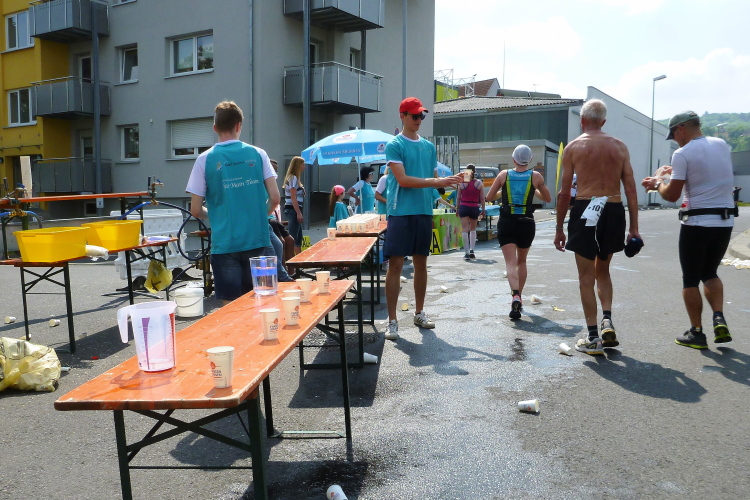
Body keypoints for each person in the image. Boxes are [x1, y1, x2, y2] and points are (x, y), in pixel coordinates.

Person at [641, 110, 736, 349]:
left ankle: (696, 333)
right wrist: (675, 173)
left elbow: (672, 195)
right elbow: (706, 173)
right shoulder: (721, 145)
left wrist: (658, 183)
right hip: (724, 222)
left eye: (673, 134)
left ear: (681, 128)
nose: (674, 140)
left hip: (696, 222)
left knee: (691, 279)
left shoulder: (682, 153)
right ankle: (719, 318)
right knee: (710, 272)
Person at [553, 99, 641, 355]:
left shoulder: (573, 147)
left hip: (585, 208)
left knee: (585, 277)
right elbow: (631, 189)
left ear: (582, 120)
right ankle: (607, 320)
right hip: (613, 209)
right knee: (603, 270)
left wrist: (559, 228)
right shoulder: (619, 146)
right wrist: (634, 228)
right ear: (603, 121)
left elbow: (565, 193)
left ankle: (592, 337)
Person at [382, 97, 463, 340]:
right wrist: (437, 181)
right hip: (399, 211)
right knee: (396, 265)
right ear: (402, 116)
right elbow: (404, 180)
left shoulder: (428, 147)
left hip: (424, 211)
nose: (419, 119)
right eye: (414, 115)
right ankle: (392, 320)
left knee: (421, 264)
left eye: (422, 116)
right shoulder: (395, 144)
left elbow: (433, 180)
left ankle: (419, 312)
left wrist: (452, 184)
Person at [186, 101, 280, 304]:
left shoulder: (204, 159)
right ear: (239, 125)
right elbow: (275, 198)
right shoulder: (259, 154)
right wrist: (259, 216)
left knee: (230, 311)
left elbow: (195, 210)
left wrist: (218, 217)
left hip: (225, 245)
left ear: (215, 128)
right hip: (257, 242)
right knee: (261, 304)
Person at [487, 145, 551, 319]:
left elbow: (489, 197)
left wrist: (503, 191)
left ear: (513, 159)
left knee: (510, 262)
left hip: (507, 221)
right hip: (526, 222)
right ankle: (519, 296)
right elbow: (547, 198)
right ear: (530, 160)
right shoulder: (535, 176)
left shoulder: (504, 175)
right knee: (521, 261)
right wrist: (533, 189)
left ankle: (514, 295)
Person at [269, 159, 295, 275]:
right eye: (272, 169)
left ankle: (292, 272)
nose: (275, 173)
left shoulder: (272, 184)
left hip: (274, 219)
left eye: (276, 170)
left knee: (290, 240)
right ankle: (283, 273)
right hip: (268, 219)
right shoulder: (262, 183)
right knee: (281, 242)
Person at [456, 164, 486, 260]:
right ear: (475, 171)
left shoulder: (462, 183)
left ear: (466, 171)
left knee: (464, 229)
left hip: (464, 206)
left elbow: (458, 198)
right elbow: (482, 198)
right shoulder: (479, 183)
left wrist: (457, 209)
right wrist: (483, 210)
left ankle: (466, 253)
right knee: (473, 229)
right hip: (474, 207)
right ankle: (472, 249)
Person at [282, 156, 306, 254]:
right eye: (303, 165)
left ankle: (298, 259)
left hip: (294, 209)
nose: (304, 167)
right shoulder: (293, 178)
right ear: (298, 165)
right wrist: (298, 213)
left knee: (298, 237)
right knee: (293, 237)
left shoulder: (294, 178)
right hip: (293, 209)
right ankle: (290, 258)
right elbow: (293, 197)